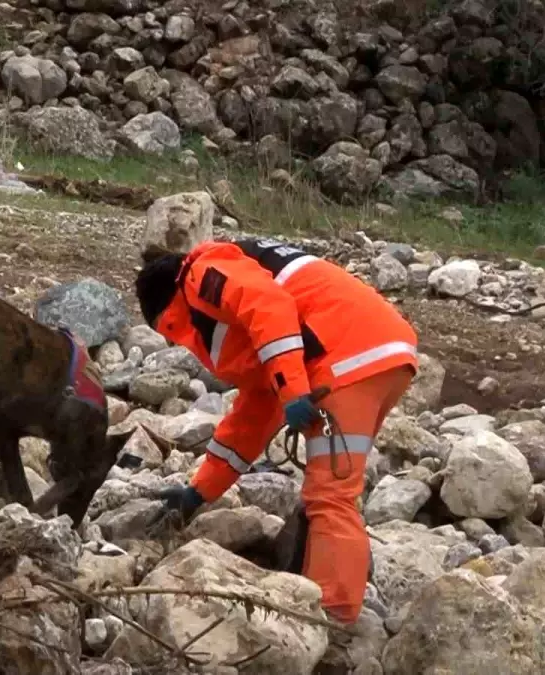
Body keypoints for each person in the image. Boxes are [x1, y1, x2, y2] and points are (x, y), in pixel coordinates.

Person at [133, 236, 419, 625]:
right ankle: (318, 586)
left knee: (331, 496)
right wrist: (199, 491)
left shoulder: (201, 274)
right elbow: (253, 413)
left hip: (347, 357)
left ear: (169, 309)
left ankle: (332, 622)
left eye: (171, 331)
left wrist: (293, 388)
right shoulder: (234, 276)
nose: (177, 341)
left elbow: (268, 305)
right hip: (378, 353)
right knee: (328, 491)